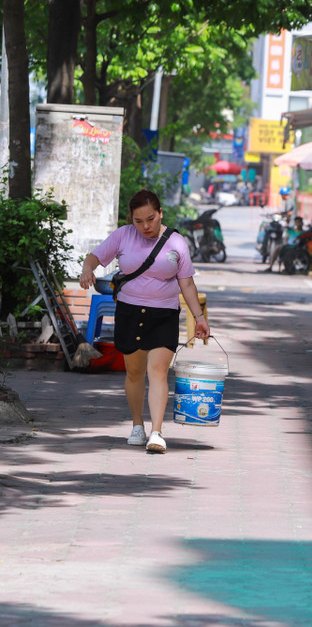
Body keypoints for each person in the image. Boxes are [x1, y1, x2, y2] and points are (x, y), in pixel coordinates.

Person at [78, 189, 210, 454]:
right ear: (131, 219)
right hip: (129, 311)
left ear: (161, 213)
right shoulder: (123, 235)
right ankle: (137, 425)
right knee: (135, 372)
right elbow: (94, 257)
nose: (145, 226)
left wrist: (199, 318)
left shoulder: (176, 243)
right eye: (139, 221)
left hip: (164, 314)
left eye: (150, 219)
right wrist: (87, 269)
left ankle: (157, 432)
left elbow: (186, 283)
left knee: (158, 371)